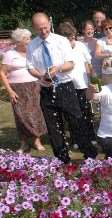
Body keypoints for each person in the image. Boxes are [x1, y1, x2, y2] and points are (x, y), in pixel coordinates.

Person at [27, 12, 97, 163]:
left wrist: (57, 68)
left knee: (76, 122)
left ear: (49, 24)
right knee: (54, 128)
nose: (43, 32)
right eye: (39, 29)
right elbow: (30, 67)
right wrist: (40, 76)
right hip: (46, 89)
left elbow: (70, 64)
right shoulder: (32, 45)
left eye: (45, 28)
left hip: (65, 87)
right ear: (34, 28)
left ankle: (90, 156)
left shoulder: (61, 41)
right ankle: (62, 159)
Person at [0, 28, 47, 153]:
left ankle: (37, 141)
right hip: (17, 88)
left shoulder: (32, 52)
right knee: (21, 115)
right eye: (26, 39)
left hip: (33, 86)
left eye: (29, 38)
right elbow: (2, 73)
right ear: (19, 41)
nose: (29, 41)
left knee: (35, 113)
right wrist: (9, 91)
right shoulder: (9, 54)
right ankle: (24, 143)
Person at [58, 22, 97, 149]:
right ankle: (76, 139)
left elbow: (88, 64)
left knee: (86, 112)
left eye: (73, 37)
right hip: (68, 86)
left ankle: (90, 136)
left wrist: (91, 79)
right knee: (72, 115)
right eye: (69, 38)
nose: (72, 40)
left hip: (83, 85)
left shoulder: (81, 46)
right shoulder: (59, 49)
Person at [95, 18, 112, 84]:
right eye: (106, 29)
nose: (108, 30)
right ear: (103, 31)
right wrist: (109, 54)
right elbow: (97, 54)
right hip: (107, 72)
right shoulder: (100, 41)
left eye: (110, 27)